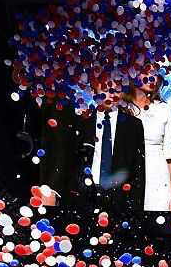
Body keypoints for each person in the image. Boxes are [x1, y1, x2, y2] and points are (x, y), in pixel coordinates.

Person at [39, 81, 145, 213]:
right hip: (82, 195)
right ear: (95, 90)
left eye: (117, 88)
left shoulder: (133, 125)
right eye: (106, 87)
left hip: (118, 198)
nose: (111, 93)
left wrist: (136, 209)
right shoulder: (82, 121)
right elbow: (66, 159)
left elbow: (138, 169)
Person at [121, 68, 171, 212]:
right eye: (146, 72)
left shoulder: (164, 110)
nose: (152, 78)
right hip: (126, 175)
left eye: (155, 74)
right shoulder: (120, 108)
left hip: (158, 178)